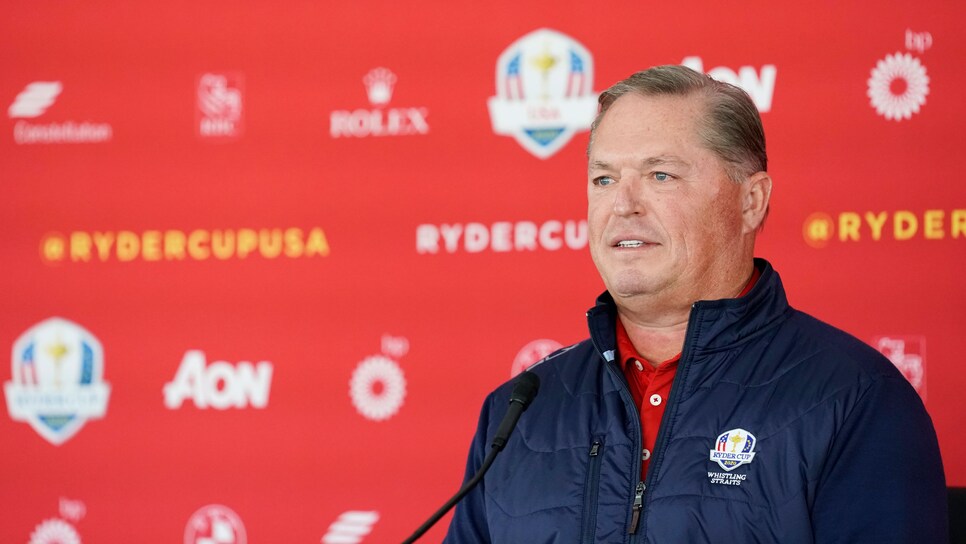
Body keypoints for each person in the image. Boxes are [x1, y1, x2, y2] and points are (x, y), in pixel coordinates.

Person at [443, 65, 947, 543]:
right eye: (604, 179)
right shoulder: (518, 413)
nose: (623, 204)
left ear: (751, 202)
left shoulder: (854, 399)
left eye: (660, 175)